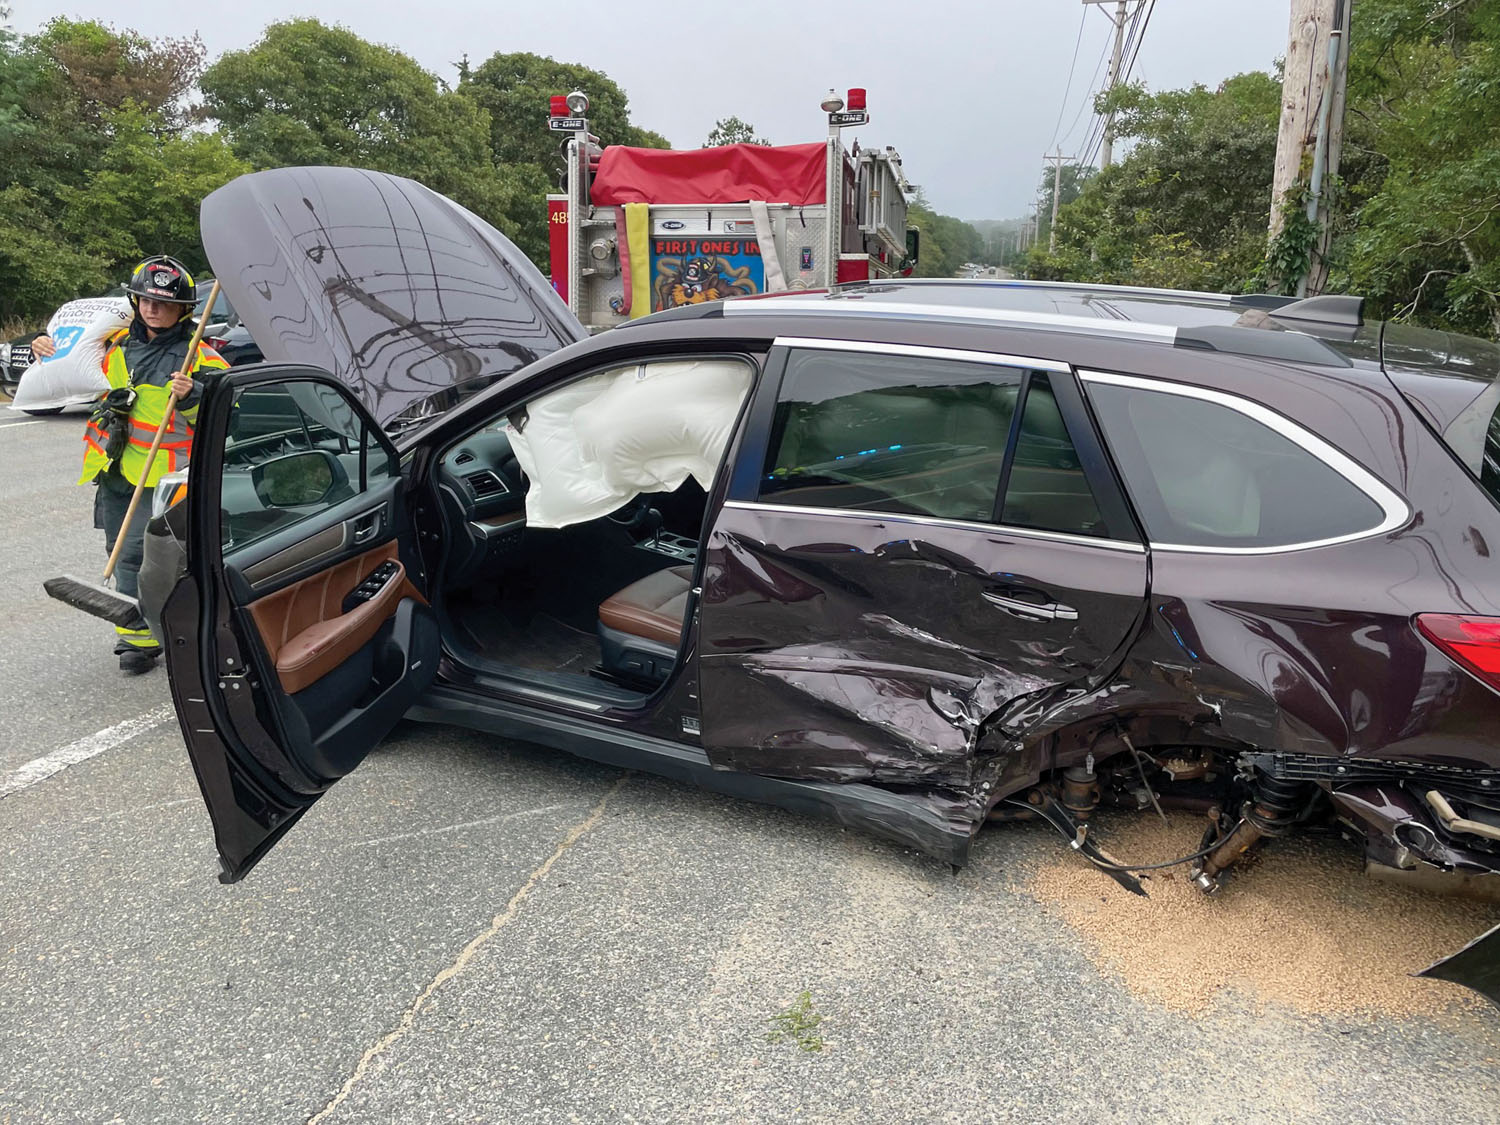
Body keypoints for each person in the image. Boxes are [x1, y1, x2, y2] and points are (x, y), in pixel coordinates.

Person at [32, 255, 228, 673]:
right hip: (118, 471)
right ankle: (145, 633)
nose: (152, 308)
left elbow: (229, 419)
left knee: (142, 555)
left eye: (164, 303)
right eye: (144, 300)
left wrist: (194, 395)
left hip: (165, 479)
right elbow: (65, 364)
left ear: (184, 310)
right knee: (119, 550)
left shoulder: (201, 358)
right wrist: (45, 345)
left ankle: (153, 638)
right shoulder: (114, 345)